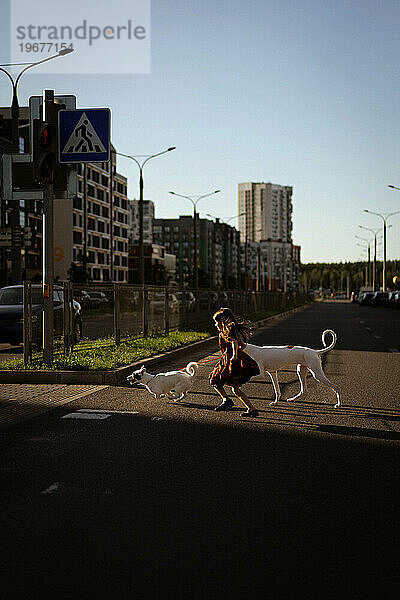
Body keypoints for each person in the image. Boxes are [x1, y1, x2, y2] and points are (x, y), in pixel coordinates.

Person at [209, 307, 260, 418]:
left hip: (232, 363)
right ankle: (251, 409)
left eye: (216, 322)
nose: (215, 325)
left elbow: (234, 342)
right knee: (234, 389)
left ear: (222, 322)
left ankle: (227, 400)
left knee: (215, 380)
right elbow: (243, 345)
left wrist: (234, 355)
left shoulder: (225, 334)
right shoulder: (227, 332)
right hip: (231, 361)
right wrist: (235, 352)